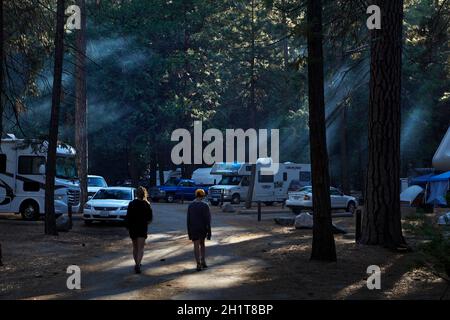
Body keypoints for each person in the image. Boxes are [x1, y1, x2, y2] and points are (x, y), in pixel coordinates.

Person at [125, 186, 153, 274]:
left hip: (133, 228)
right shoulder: (146, 204)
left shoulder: (131, 203)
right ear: (144, 194)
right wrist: (146, 222)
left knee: (135, 247)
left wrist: (128, 226)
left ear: (136, 194)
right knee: (141, 248)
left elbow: (128, 217)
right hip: (142, 228)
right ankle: (138, 264)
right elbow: (150, 218)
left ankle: (136, 263)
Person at [187, 189, 211, 271]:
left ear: (196, 195)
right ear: (203, 196)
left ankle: (198, 263)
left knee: (196, 245)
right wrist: (209, 231)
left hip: (193, 228)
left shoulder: (191, 205)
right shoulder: (205, 205)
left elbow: (188, 219)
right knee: (202, 244)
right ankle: (203, 260)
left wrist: (189, 231)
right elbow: (208, 219)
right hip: (202, 228)